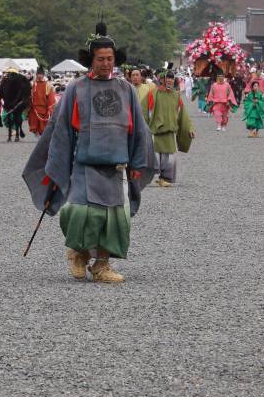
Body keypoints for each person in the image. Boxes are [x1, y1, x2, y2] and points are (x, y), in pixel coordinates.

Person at [22, 20, 154, 283]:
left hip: (116, 167)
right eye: (101, 59)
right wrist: (58, 164)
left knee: (114, 219)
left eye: (110, 58)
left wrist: (138, 162)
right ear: (91, 60)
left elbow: (139, 129)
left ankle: (102, 265)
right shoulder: (76, 88)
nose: (106, 63)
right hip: (82, 165)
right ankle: (79, 252)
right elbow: (60, 130)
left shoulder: (126, 89)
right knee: (79, 214)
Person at [143, 68, 194, 187]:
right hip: (155, 132)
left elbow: (183, 114)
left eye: (172, 78)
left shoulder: (176, 96)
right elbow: (143, 112)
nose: (170, 80)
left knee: (170, 157)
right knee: (153, 158)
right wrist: (141, 129)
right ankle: (153, 178)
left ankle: (165, 178)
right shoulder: (152, 94)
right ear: (161, 80)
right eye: (168, 78)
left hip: (170, 132)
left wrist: (189, 128)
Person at [0, 67, 31, 142]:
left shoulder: (17, 81)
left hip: (17, 103)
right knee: (11, 118)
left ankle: (16, 134)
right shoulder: (5, 81)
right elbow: (1, 92)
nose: (10, 75)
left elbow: (25, 92)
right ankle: (12, 135)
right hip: (10, 103)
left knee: (16, 118)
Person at [28, 69, 58, 137]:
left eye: (41, 74)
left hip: (44, 109)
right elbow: (28, 95)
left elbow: (51, 98)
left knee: (43, 129)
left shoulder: (48, 85)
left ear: (43, 75)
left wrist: (50, 108)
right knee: (34, 128)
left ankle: (41, 141)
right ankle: (39, 141)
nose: (39, 76)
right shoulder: (32, 84)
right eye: (38, 74)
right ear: (36, 74)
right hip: (34, 109)